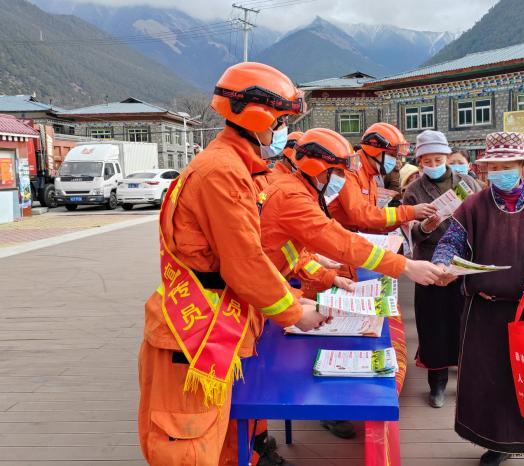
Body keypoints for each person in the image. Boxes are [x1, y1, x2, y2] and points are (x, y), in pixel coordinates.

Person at [137, 62, 326, 466]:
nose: (281, 132)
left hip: (213, 321)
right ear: (258, 117)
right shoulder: (222, 172)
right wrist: (295, 312)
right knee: (188, 447)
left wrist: (292, 297)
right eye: (280, 122)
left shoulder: (236, 166)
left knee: (224, 436)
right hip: (193, 333)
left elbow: (247, 254)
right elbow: (245, 262)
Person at [259, 128, 446, 440]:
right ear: (319, 169)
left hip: (279, 284)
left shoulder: (300, 191)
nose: (341, 180)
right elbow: (341, 240)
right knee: (271, 369)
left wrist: (325, 274)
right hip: (265, 291)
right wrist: (405, 265)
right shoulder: (293, 196)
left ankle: (265, 438)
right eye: (337, 173)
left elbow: (295, 249)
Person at [432, 132, 524, 466]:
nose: (499, 173)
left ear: (523, 167)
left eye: (507, 166)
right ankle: (496, 442)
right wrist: (442, 264)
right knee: (493, 383)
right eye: (493, 167)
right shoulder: (473, 206)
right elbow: (450, 243)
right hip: (485, 312)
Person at [402, 130, 481, 409]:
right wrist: (424, 227)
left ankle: (467, 380)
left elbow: (482, 218)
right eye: (427, 161)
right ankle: (436, 383)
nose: (434, 165)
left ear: (447, 157)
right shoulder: (413, 191)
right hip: (429, 264)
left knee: (465, 322)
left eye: (438, 159)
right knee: (433, 324)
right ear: (420, 162)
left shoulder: (468, 183)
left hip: (462, 263)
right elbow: (408, 234)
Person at [329, 122, 437, 233]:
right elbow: (362, 216)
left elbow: (371, 222)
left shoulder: (370, 176)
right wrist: (410, 212)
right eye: (391, 155)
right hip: (337, 235)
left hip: (349, 235)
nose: (394, 161)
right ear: (374, 150)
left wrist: (403, 221)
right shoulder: (350, 171)